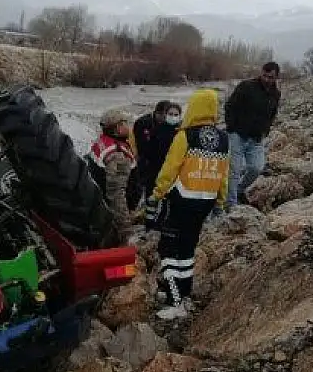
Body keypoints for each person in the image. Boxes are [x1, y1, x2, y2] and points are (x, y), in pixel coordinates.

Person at [143, 88, 229, 320]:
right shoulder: (223, 139)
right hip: (206, 203)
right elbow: (224, 174)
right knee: (188, 249)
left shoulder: (185, 136)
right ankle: (184, 293)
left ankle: (175, 301)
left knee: (169, 250)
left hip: (181, 201)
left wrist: (157, 193)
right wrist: (220, 201)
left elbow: (170, 169)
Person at [223, 62, 281, 208]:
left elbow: (272, 113)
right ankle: (231, 204)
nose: (267, 79)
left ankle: (239, 190)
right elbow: (230, 106)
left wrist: (265, 130)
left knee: (256, 168)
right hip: (238, 135)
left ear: (276, 77)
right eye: (265, 76)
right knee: (234, 170)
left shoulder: (276, 94)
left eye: (271, 77)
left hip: (256, 138)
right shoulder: (246, 86)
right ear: (261, 73)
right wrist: (231, 127)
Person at [86, 108, 139, 242]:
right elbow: (116, 196)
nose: (129, 126)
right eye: (125, 123)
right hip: (110, 214)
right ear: (117, 128)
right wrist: (127, 231)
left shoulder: (103, 141)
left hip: (98, 204)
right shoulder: (117, 155)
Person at [134, 100, 183, 206]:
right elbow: (145, 150)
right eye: (170, 114)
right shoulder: (152, 128)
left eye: (176, 114)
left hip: (174, 173)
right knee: (150, 198)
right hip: (153, 169)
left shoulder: (183, 132)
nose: (173, 117)